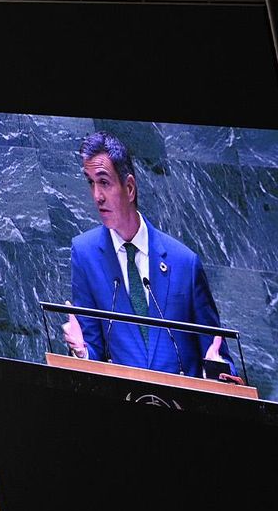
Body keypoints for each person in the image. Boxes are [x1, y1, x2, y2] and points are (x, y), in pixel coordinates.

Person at [62, 131, 236, 381]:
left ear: (129, 187)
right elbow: (94, 352)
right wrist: (81, 352)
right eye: (91, 182)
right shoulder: (85, 254)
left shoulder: (184, 262)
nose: (97, 196)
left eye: (104, 182)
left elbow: (218, 355)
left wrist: (217, 370)